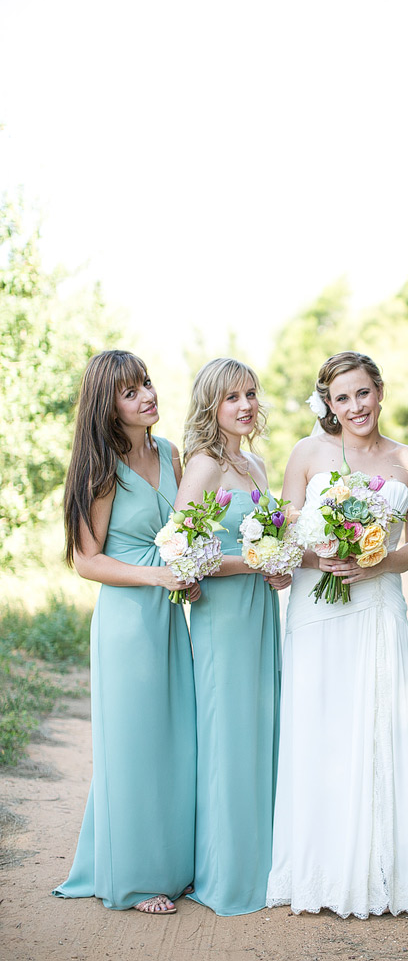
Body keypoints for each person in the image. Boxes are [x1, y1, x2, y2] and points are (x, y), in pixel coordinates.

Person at [266, 351, 408, 919]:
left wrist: (374, 562)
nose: (355, 406)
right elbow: (287, 536)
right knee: (319, 730)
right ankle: (319, 870)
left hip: (378, 605)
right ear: (329, 405)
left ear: (380, 392)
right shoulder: (307, 454)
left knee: (376, 730)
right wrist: (327, 551)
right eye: (343, 398)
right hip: (317, 609)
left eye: (363, 393)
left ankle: (379, 874)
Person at [53, 350, 197, 915]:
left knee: (173, 739)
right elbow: (87, 561)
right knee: (135, 745)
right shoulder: (103, 467)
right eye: (130, 391)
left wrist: (191, 570)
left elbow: (186, 529)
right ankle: (135, 880)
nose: (147, 396)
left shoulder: (170, 453)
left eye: (147, 384)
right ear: (107, 407)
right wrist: (157, 575)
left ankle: (172, 863)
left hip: (168, 615)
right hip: (127, 622)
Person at [174, 357, 285, 916]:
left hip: (262, 612)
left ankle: (264, 863)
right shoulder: (204, 466)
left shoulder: (259, 466)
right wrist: (255, 561)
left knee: (261, 730)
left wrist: (278, 565)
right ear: (210, 406)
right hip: (222, 619)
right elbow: (181, 555)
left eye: (250, 394)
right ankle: (225, 872)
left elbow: (266, 545)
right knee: (227, 736)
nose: (245, 406)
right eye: (231, 398)